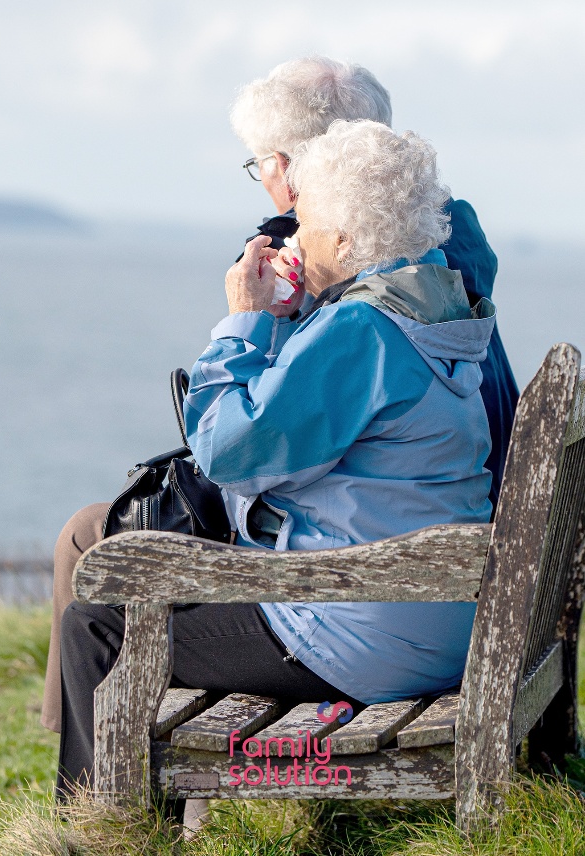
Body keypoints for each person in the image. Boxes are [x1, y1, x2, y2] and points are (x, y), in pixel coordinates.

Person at [41, 56, 514, 737]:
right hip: (439, 578)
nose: (287, 215)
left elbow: (237, 455)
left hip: (368, 611)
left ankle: (96, 815)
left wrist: (246, 322)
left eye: (304, 209)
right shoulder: (440, 285)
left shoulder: (362, 325)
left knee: (101, 613)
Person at [231, 57, 518, 507]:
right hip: (490, 503)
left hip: (381, 540)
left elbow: (244, 447)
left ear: (287, 168)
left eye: (259, 162)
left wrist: (249, 320)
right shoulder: (441, 252)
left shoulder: (304, 258)